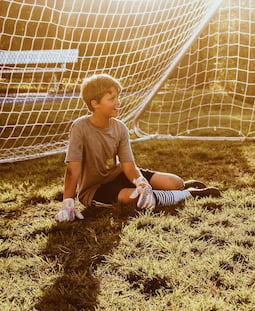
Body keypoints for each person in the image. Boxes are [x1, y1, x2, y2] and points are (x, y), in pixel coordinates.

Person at [55, 74, 220, 222]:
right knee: (136, 199)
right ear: (95, 103)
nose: (118, 102)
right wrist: (68, 202)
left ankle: (172, 190)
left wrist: (142, 183)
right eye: (111, 99)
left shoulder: (120, 128)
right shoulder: (80, 128)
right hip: (95, 189)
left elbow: (128, 166)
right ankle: (189, 194)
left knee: (175, 182)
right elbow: (72, 169)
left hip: (118, 175)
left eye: (118, 97)